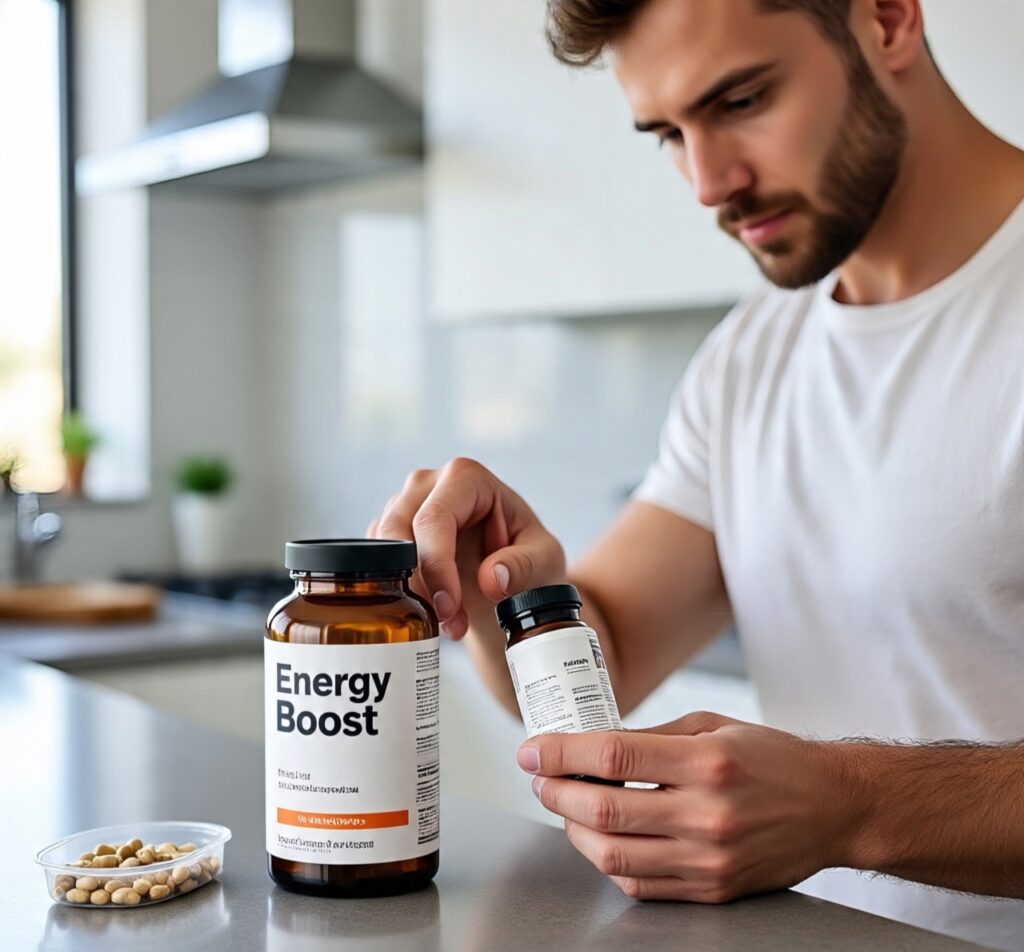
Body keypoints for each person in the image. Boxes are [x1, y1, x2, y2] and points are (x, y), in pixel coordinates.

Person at [368, 0, 1024, 947]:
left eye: (744, 99)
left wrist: (851, 805)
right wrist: (508, 586)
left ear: (886, 19)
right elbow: (611, 651)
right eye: (669, 134)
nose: (710, 181)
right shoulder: (750, 357)